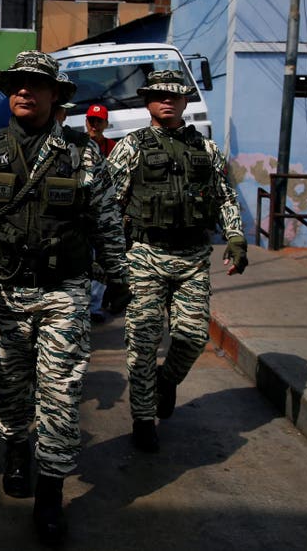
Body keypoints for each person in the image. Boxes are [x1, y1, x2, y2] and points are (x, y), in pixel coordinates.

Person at [0, 51, 129, 547]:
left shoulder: (81, 152)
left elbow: (106, 221)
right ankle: (14, 446)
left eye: (35, 85)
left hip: (63, 292)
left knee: (61, 392)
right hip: (3, 290)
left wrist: (117, 275)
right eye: (18, 85)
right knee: (8, 385)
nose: (24, 92)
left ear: (55, 95)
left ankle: (51, 492)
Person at [105, 69, 246, 454]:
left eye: (174, 96)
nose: (166, 101)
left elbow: (225, 197)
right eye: (158, 96)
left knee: (191, 337)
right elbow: (108, 205)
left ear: (185, 101)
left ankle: (166, 382)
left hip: (193, 258)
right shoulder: (131, 146)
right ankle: (143, 418)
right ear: (147, 101)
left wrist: (235, 236)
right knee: (143, 341)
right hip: (145, 256)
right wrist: (109, 260)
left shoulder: (207, 150)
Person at [84, 103, 117, 323]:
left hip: (105, 213)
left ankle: (95, 306)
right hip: (82, 214)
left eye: (99, 121)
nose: (95, 125)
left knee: (102, 259)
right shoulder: (76, 145)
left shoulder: (113, 147)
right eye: (91, 121)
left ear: (105, 123)